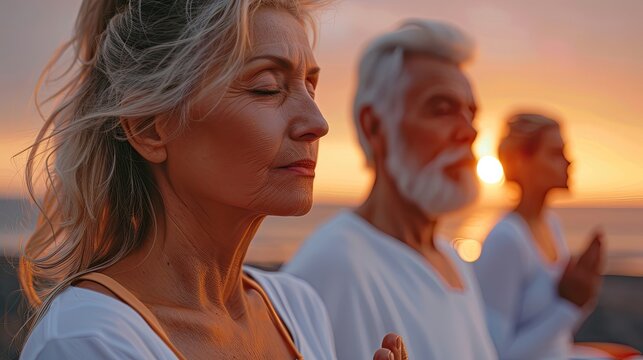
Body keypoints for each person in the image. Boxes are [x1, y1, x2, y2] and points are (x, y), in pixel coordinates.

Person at [18, 1, 406, 359]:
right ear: (150, 129)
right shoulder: (86, 340)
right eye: (267, 88)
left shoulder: (298, 309)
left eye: (310, 86)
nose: (317, 123)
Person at [283, 19, 497, 359]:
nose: (469, 131)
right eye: (442, 109)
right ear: (374, 126)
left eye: (471, 113)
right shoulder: (334, 267)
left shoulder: (451, 257)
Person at [473, 113, 604, 359]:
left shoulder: (550, 223)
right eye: (555, 153)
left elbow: (557, 337)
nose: (569, 162)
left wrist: (580, 291)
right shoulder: (506, 240)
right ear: (521, 162)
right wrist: (572, 306)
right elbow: (496, 354)